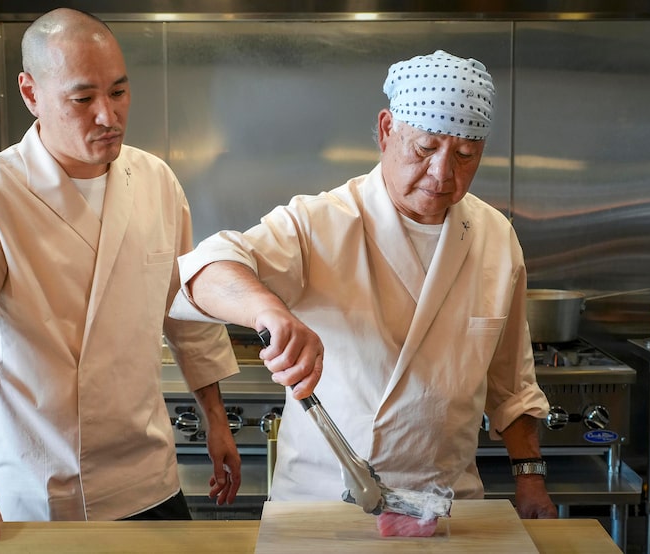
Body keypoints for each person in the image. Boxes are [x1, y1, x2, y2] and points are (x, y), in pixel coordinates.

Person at [170, 50, 558, 520]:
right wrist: (267, 311)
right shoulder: (322, 222)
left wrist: (530, 478)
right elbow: (205, 269)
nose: (443, 174)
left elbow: (512, 383)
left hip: (442, 504)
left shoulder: (495, 237)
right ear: (386, 129)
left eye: (464, 155)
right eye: (425, 148)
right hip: (321, 504)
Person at [0, 8, 248, 547]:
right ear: (31, 93)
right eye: (83, 98)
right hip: (40, 488)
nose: (108, 116)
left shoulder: (156, 181)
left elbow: (186, 313)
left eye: (119, 92)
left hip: (147, 477)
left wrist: (216, 418)